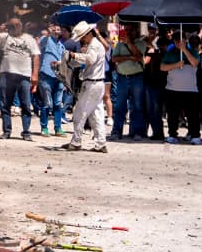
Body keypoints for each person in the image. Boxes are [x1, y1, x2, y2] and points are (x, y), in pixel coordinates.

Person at [61, 21, 110, 153]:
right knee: (96, 115)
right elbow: (85, 62)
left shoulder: (94, 46)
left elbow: (90, 59)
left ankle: (76, 142)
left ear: (88, 34)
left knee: (79, 113)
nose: (82, 40)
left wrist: (73, 55)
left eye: (82, 37)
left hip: (92, 83)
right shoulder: (94, 44)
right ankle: (101, 143)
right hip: (97, 83)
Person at [0, 18, 39, 141]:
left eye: (17, 25)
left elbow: (36, 56)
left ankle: (26, 132)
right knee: (5, 105)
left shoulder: (29, 39)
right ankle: (7, 131)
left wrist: (35, 74)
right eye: (12, 25)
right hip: (7, 74)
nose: (15, 27)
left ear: (21, 26)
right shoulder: (4, 37)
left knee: (25, 104)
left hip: (24, 75)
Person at [161, 30, 202, 145]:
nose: (178, 42)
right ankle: (172, 134)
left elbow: (195, 63)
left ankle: (195, 135)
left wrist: (184, 50)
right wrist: (176, 65)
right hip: (172, 89)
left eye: (180, 40)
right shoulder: (170, 52)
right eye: (176, 40)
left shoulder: (193, 51)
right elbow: (163, 67)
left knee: (192, 115)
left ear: (185, 40)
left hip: (190, 89)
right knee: (172, 115)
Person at [109, 22, 148, 141]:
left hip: (137, 78)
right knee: (119, 106)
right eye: (127, 30)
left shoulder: (141, 43)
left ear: (136, 31)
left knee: (137, 106)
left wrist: (130, 44)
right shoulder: (120, 45)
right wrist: (129, 57)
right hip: (122, 78)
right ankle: (116, 131)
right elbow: (114, 59)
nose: (128, 33)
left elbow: (139, 55)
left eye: (131, 30)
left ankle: (136, 132)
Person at [38, 23, 72, 136]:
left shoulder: (62, 46)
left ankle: (58, 128)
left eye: (59, 30)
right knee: (47, 103)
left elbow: (65, 63)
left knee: (58, 104)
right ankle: (44, 128)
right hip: (46, 75)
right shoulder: (46, 40)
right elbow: (41, 44)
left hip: (59, 77)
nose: (57, 31)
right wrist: (48, 33)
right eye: (55, 29)